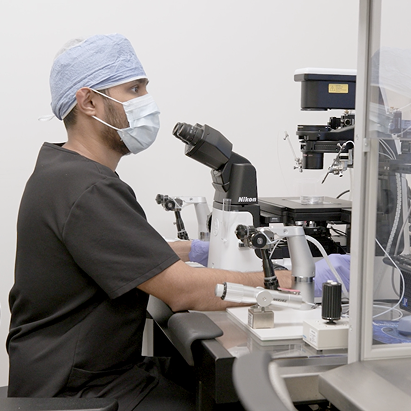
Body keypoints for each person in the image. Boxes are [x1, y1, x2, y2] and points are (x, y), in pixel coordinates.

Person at [6, 33, 349, 411]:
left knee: (216, 380)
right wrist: (288, 280)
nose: (146, 101)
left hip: (80, 373)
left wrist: (197, 250)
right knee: (240, 395)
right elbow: (183, 290)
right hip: (81, 392)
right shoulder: (87, 188)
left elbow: (127, 254)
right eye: (134, 89)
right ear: (89, 102)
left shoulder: (64, 172)